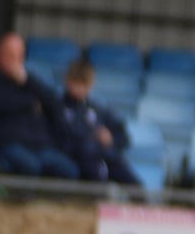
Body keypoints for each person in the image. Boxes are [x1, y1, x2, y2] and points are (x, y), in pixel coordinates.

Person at [0, 33, 77, 179]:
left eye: (19, 55)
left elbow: (53, 103)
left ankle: (52, 202)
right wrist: (30, 103)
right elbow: (1, 104)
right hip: (3, 144)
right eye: (10, 55)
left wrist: (27, 81)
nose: (15, 60)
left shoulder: (29, 81)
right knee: (30, 165)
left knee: (68, 169)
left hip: (37, 145)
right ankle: (23, 201)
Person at [50, 59, 140, 187]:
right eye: (76, 83)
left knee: (124, 171)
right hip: (79, 158)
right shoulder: (57, 107)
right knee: (94, 166)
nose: (79, 89)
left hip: (105, 157)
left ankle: (144, 201)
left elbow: (123, 136)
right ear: (67, 81)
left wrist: (111, 138)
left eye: (84, 84)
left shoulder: (97, 109)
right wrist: (91, 137)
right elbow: (61, 138)